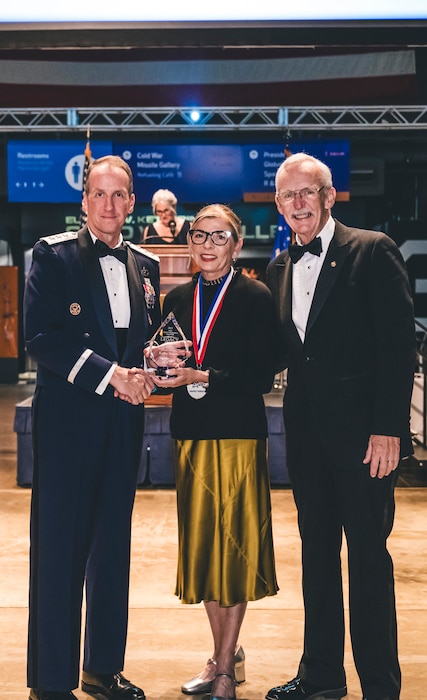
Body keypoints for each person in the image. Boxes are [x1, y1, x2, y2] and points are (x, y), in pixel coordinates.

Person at [265, 153, 416, 700]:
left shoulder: (371, 250)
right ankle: (322, 675)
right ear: (278, 205)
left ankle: (380, 684)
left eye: (308, 192)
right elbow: (280, 354)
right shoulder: (281, 267)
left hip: (364, 443)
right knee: (316, 558)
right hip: (306, 441)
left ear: (330, 197)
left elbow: (399, 348)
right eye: (288, 196)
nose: (298, 203)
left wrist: (389, 429)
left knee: (369, 563)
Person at [24, 155, 161, 700]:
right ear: (84, 202)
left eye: (119, 195)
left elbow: (139, 343)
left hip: (122, 429)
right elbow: (41, 339)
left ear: (132, 202)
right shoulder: (52, 256)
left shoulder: (146, 265)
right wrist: (114, 377)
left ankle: (101, 669)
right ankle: (51, 684)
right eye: (98, 195)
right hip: (68, 429)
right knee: (59, 557)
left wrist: (158, 362)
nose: (108, 205)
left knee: (113, 553)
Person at [149, 204, 279, 700]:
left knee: (237, 547)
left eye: (218, 236)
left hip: (240, 435)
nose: (207, 244)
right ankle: (225, 654)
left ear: (236, 244)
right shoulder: (176, 299)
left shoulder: (255, 297)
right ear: (189, 243)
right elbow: (168, 363)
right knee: (205, 547)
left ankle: (223, 665)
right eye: (199, 235)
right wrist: (156, 364)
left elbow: (261, 377)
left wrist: (201, 376)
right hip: (192, 434)